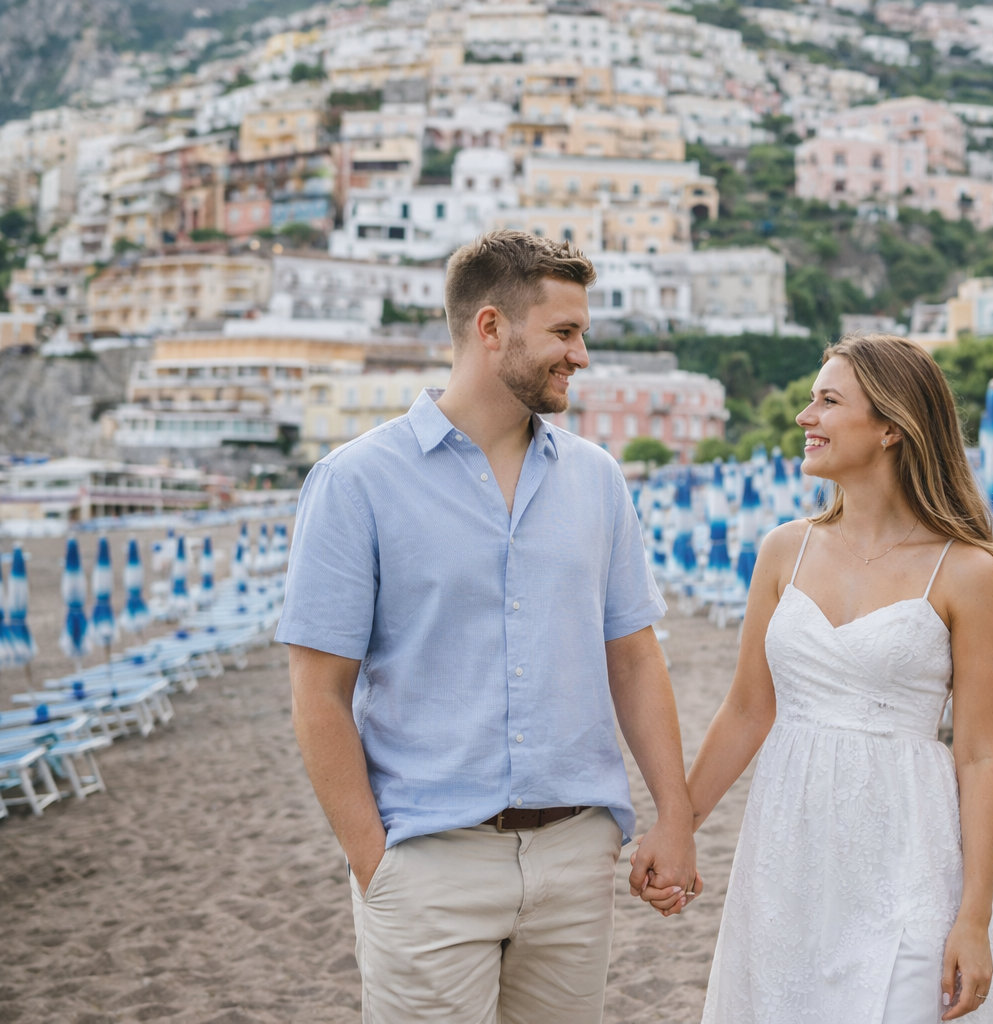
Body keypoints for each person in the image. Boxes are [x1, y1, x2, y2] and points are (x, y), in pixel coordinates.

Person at [278, 230, 699, 1024]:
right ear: (491, 327)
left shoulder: (598, 481)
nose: (581, 354)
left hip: (576, 859)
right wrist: (378, 864)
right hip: (428, 862)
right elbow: (318, 693)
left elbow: (636, 662)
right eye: (565, 332)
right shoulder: (355, 482)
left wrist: (674, 819)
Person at [676, 334, 993, 1022]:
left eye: (827, 401)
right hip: (787, 854)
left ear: (892, 426)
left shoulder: (968, 572)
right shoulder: (783, 551)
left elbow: (981, 755)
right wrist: (676, 828)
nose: (806, 417)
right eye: (811, 400)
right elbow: (746, 711)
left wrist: (974, 918)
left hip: (911, 852)